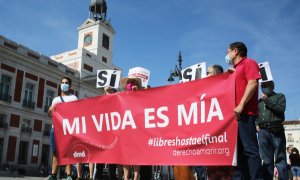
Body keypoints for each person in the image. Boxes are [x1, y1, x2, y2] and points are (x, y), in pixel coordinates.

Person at [225, 42, 262, 179]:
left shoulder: (249, 63)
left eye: (227, 51)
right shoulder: (234, 69)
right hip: (234, 117)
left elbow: (252, 82)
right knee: (238, 154)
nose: (227, 55)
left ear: (235, 51)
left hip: (245, 114)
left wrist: (241, 105)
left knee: (250, 150)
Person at [47, 77, 80, 180]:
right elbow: (49, 114)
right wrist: (50, 110)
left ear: (70, 86)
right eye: (62, 82)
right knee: (55, 152)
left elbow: (78, 113)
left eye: (66, 83)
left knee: (68, 152)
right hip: (56, 129)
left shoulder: (74, 98)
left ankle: (69, 175)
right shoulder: (55, 99)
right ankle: (53, 175)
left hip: (68, 129)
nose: (64, 84)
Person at [256, 80, 288, 179]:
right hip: (263, 131)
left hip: (276, 130)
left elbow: (281, 109)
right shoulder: (259, 101)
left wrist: (267, 101)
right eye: (262, 85)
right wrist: (256, 124)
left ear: (272, 86)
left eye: (266, 85)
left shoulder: (280, 96)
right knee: (266, 159)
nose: (264, 87)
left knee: (280, 158)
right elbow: (256, 114)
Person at [120, 75, 143, 180]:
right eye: (129, 82)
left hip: (138, 130)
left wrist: (138, 94)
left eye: (133, 83)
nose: (131, 84)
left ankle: (135, 177)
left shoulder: (142, 96)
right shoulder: (121, 96)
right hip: (126, 130)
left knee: (137, 156)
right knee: (126, 156)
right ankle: (126, 177)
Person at [94, 87, 120, 180]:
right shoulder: (101, 103)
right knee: (100, 161)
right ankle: (97, 177)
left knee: (112, 164)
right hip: (102, 137)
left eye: (112, 91)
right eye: (108, 91)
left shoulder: (118, 104)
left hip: (113, 137)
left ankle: (112, 177)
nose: (110, 93)